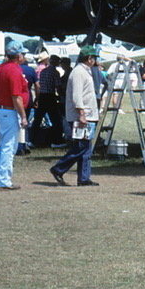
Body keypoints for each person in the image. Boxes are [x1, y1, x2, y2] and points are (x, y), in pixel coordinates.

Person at [50, 45, 101, 187]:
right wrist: (82, 114)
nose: (95, 60)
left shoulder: (86, 71)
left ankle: (84, 178)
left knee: (86, 147)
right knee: (81, 146)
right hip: (82, 115)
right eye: (94, 57)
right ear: (89, 59)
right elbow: (77, 95)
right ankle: (59, 168)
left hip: (88, 114)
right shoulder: (79, 72)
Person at [0, 41, 29, 191]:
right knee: (9, 147)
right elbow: (16, 96)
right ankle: (3, 181)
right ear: (19, 56)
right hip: (9, 111)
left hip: (0, 109)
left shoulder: (1, 68)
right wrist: (23, 116)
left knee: (3, 146)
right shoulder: (14, 71)